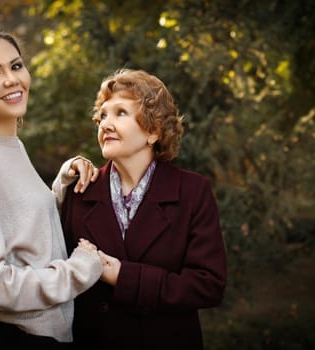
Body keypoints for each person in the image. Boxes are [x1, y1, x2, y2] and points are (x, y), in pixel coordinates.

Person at [0, 30, 103, 350]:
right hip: (20, 339)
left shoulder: (11, 147)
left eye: (15, 66)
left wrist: (62, 185)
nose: (12, 79)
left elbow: (25, 231)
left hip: (48, 335)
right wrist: (76, 272)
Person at [58, 69, 227, 350]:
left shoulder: (193, 192)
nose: (105, 124)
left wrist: (124, 277)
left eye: (120, 113)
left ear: (153, 131)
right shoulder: (79, 191)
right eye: (103, 115)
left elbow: (208, 285)